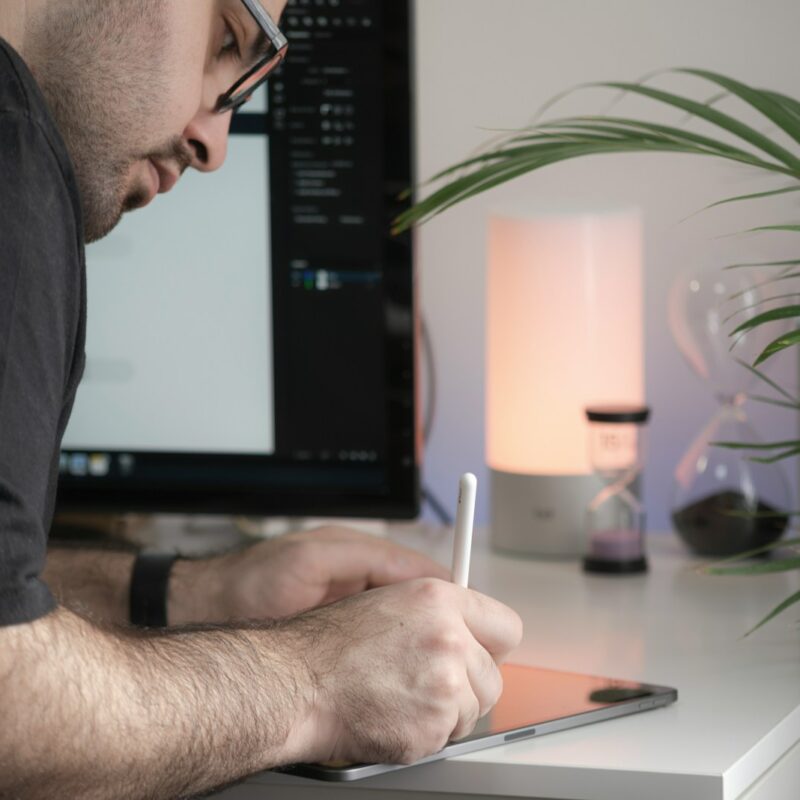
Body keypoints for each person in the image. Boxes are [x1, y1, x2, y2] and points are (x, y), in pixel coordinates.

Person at [0, 1, 523, 798]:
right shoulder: (12, 151)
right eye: (227, 44)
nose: (213, 144)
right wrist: (318, 678)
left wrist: (190, 595)